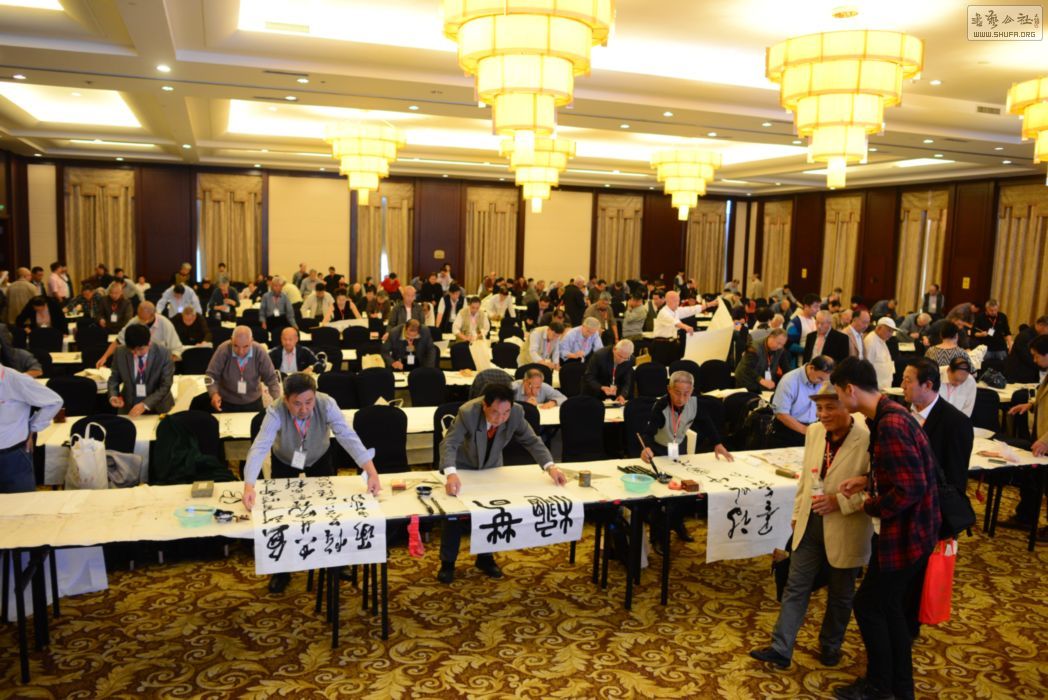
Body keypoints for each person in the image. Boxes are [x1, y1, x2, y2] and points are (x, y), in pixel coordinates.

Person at [832, 358, 940, 700]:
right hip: (911, 532)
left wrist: (869, 504)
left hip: (905, 535)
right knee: (888, 607)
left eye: (838, 394)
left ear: (850, 389)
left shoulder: (891, 423)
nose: (838, 401)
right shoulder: (889, 414)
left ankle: (880, 686)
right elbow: (903, 471)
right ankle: (899, 687)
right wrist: (868, 479)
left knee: (869, 606)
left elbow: (911, 487)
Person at [750, 382, 872, 670]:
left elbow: (875, 489)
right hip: (810, 521)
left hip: (846, 526)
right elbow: (807, 478)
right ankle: (781, 648)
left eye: (830, 407)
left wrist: (838, 502)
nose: (823, 414)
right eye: (819, 408)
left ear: (847, 406)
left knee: (841, 594)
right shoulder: (815, 432)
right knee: (795, 585)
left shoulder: (868, 438)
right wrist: (796, 514)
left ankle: (830, 645)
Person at [241, 372, 381, 592]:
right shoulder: (276, 410)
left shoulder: (326, 404)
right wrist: (249, 485)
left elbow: (347, 436)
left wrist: (371, 472)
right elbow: (260, 446)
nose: (304, 409)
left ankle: (336, 562)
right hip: (285, 459)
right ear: (286, 399)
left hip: (319, 456)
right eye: (297, 404)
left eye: (309, 402)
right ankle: (281, 570)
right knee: (282, 513)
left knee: (328, 510)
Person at [437, 383, 567, 582]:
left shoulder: (516, 412)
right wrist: (451, 473)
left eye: (505, 413)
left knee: (492, 512)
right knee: (454, 515)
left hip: (492, 467)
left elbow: (532, 441)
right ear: (485, 406)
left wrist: (551, 467)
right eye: (495, 413)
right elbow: (450, 443)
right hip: (463, 468)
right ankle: (448, 563)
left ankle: (485, 558)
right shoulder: (468, 413)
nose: (500, 418)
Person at [640, 370, 733, 542]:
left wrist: (717, 443)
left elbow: (707, 423)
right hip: (659, 451)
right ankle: (658, 534)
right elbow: (648, 432)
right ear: (669, 389)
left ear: (692, 391)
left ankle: (677, 523)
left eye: (686, 393)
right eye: (677, 393)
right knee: (662, 493)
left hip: (678, 449)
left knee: (685, 490)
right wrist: (646, 448)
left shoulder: (695, 404)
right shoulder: (661, 406)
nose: (681, 398)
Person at [902, 358, 973, 494]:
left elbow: (955, 480)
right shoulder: (903, 411)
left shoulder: (957, 422)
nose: (902, 386)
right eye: (903, 379)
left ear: (928, 385)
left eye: (908, 380)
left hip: (932, 499)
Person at [1004, 335, 1048, 531]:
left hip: (1045, 439)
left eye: (1037, 356)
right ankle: (1025, 517)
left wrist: (1046, 441)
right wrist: (1031, 405)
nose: (1034, 360)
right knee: (1032, 480)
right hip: (1040, 436)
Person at [0, 364, 63, 493]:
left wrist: (33, 427)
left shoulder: (15, 379)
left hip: (12, 455)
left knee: (21, 502)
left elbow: (54, 401)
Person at [205, 326, 282, 413]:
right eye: (236, 346)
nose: (240, 351)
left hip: (253, 402)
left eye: (245, 346)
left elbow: (272, 378)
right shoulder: (223, 349)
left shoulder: (259, 351)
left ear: (251, 341)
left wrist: (277, 402)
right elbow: (210, 376)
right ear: (231, 340)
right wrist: (213, 393)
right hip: (226, 402)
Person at [107, 323, 175, 416]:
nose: (136, 353)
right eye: (132, 350)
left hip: (158, 407)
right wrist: (113, 395)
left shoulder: (164, 354)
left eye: (140, 349)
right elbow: (114, 378)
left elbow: (165, 385)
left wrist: (145, 405)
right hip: (129, 406)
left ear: (149, 343)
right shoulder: (120, 352)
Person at [770, 356, 835, 447]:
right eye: (820, 378)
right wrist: (806, 430)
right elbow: (781, 413)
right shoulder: (789, 380)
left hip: (812, 428)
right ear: (811, 368)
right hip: (788, 430)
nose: (822, 383)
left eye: (825, 380)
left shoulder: (822, 381)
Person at [97, 301, 184, 367]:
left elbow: (177, 350)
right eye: (140, 317)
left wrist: (163, 363)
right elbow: (118, 341)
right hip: (138, 363)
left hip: (160, 363)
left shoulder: (165, 324)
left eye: (144, 319)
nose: (141, 321)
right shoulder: (134, 321)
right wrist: (104, 357)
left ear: (153, 315)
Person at [735, 328, 789, 392]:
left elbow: (786, 368)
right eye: (778, 343)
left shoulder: (780, 350)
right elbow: (747, 369)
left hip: (763, 383)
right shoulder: (754, 348)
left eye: (782, 344)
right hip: (746, 381)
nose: (779, 346)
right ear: (771, 337)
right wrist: (761, 380)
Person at [582, 339, 634, 404]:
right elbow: (589, 377)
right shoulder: (599, 356)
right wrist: (601, 387)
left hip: (614, 396)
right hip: (595, 393)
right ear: (614, 349)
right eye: (620, 356)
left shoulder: (630, 359)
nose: (622, 360)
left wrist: (622, 395)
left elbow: (627, 380)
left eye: (625, 358)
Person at [1005, 315, 1048, 383]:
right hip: (1019, 376)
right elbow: (1030, 359)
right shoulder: (1024, 336)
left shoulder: (1036, 336)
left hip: (1028, 375)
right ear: (1042, 325)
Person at [972, 299, 1012, 363]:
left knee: (1002, 366)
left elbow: (1007, 333)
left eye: (995, 310)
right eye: (991, 310)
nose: (993, 312)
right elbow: (973, 333)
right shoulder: (980, 317)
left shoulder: (1002, 317)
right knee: (985, 366)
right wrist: (981, 334)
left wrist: (1010, 346)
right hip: (986, 349)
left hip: (1000, 348)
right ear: (986, 309)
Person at [260, 277, 297, 345]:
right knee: (277, 332)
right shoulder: (266, 296)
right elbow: (262, 312)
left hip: (282, 319)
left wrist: (294, 325)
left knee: (288, 331)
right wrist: (263, 322)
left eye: (279, 286)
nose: (278, 288)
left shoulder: (285, 296)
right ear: (272, 286)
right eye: (276, 286)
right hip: (270, 320)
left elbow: (290, 313)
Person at [864, 317, 897, 390]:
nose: (891, 334)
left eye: (892, 331)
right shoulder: (871, 342)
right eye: (889, 331)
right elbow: (867, 368)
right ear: (879, 328)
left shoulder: (882, 340)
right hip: (874, 388)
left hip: (884, 388)